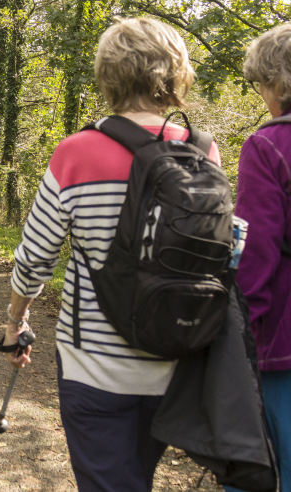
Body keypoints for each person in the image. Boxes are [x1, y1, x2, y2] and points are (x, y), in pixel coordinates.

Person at [0, 17, 221, 491]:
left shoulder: (78, 152)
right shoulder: (203, 152)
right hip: (178, 362)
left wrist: (16, 320)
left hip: (96, 368)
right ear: (176, 73)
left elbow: (35, 257)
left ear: (107, 76)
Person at [225, 23, 291, 492]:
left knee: (264, 472)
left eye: (261, 83)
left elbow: (256, 257)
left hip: (282, 348)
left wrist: (232, 341)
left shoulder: (268, 146)